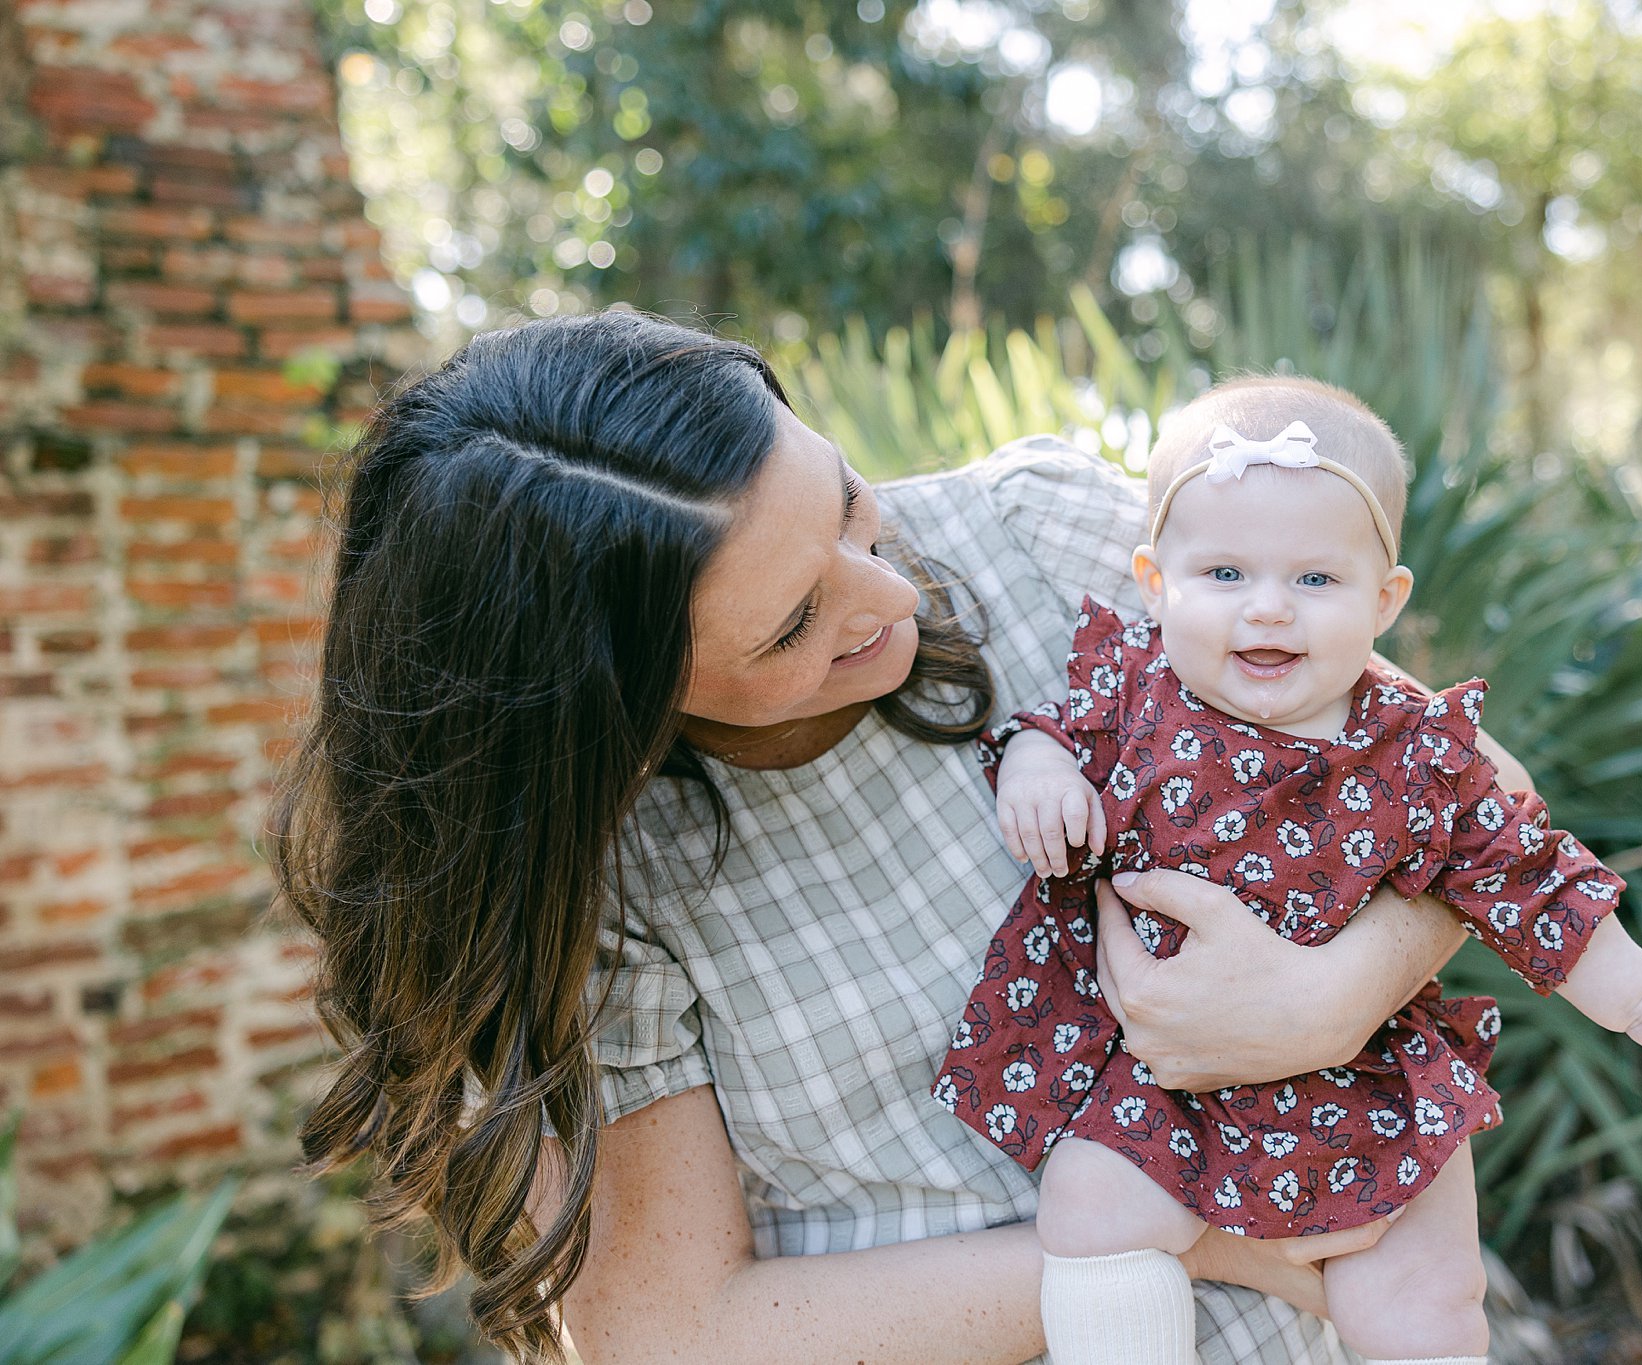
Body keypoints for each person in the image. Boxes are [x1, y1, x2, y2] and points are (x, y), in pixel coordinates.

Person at [275, 310, 1553, 1364]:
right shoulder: (598, 886)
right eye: (789, 626)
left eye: (846, 505)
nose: (892, 595)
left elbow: (1470, 792)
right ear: (608, 702)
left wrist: (1337, 993)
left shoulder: (1033, 532)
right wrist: (1176, 1232)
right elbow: (673, 1336)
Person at [937, 376, 1642, 1365]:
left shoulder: (1417, 752)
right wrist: (1037, 767)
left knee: (1424, 1301)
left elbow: (1526, 874)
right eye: (1225, 575)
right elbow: (1043, 727)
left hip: (1363, 1078)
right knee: (1089, 1207)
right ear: (1155, 585)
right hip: (1162, 1085)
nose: (1268, 611)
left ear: (1384, 598)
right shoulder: (1130, 694)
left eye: (1315, 582)